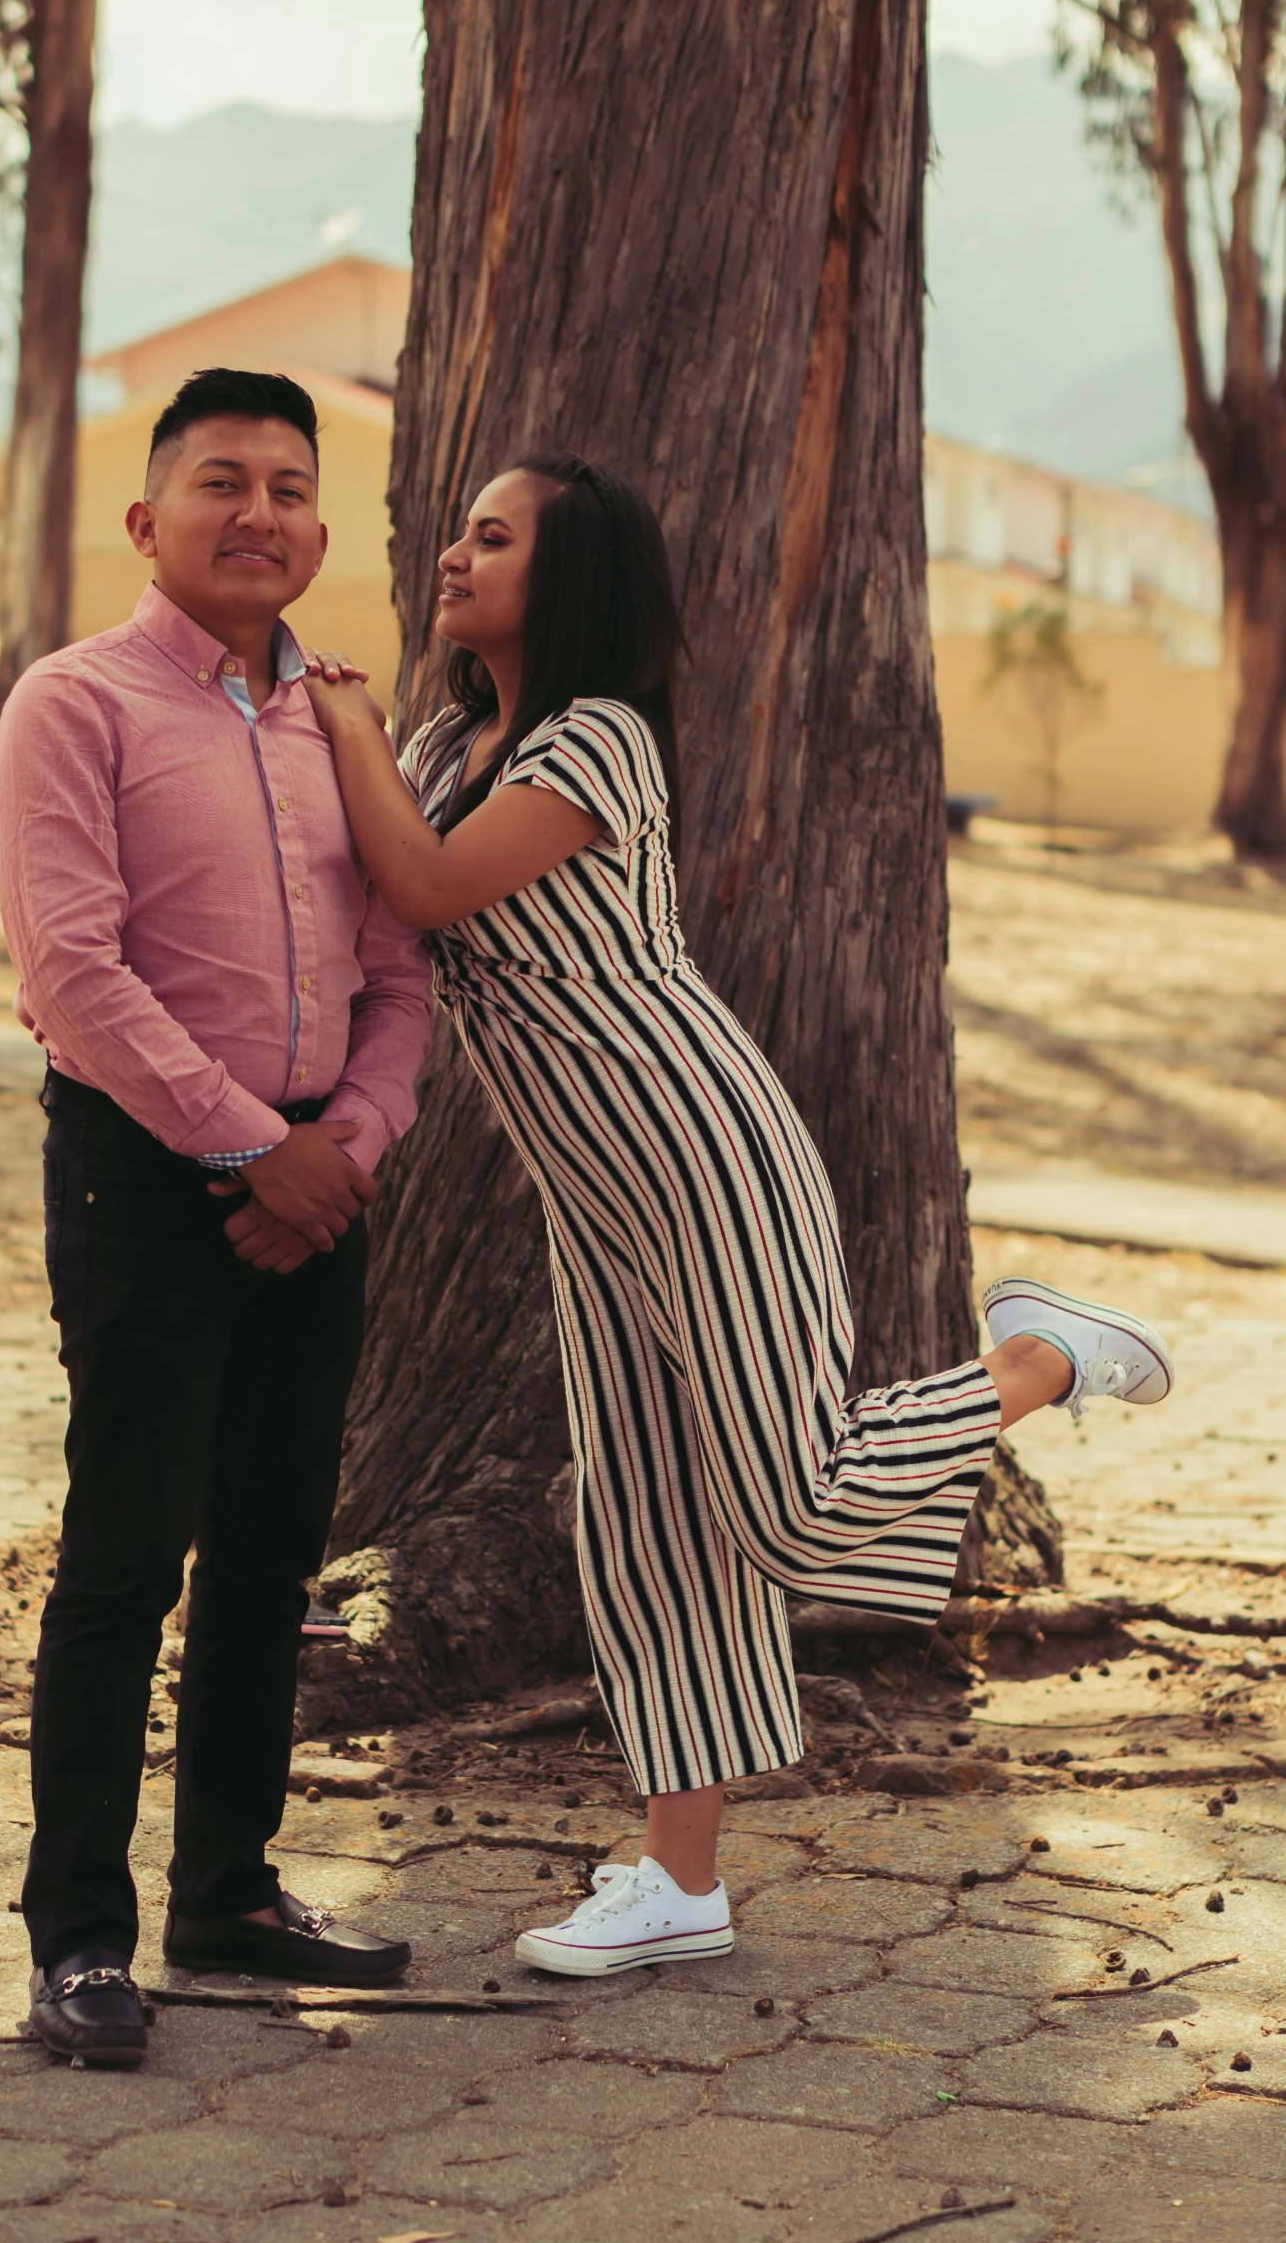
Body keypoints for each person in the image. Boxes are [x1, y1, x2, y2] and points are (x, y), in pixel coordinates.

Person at [301, 449, 1174, 1980]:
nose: (454, 554)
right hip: (592, 1195)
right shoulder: (446, 743)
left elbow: (428, 889)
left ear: (564, 581)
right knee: (649, 1529)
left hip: (701, 1149)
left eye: (492, 538)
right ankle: (679, 1879)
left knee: (786, 1497)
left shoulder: (599, 743)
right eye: (459, 529)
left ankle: (1037, 1358)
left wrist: (347, 724)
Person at [0, 368, 432, 2064]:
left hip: (324, 1182)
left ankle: (228, 1889)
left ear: (321, 527)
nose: (261, 512)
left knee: (268, 1556)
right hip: (146, 1174)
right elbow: (71, 971)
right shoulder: (75, 704)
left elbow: (404, 963)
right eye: (222, 480)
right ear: (146, 519)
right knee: (122, 1559)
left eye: (291, 486)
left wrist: (351, 1144)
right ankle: (81, 1942)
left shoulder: (342, 717)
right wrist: (257, 1151)